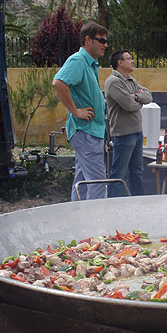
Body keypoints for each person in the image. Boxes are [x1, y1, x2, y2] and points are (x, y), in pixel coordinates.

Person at [53, 21, 109, 201]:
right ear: (88, 40)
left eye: (106, 41)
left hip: (91, 132)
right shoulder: (78, 60)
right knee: (98, 183)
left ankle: (76, 219)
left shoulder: (90, 64)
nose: (105, 45)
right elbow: (59, 82)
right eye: (101, 40)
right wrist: (75, 111)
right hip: (86, 131)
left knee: (83, 182)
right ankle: (97, 224)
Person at [104, 49, 153, 197]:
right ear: (120, 63)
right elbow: (129, 106)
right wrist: (140, 101)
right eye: (129, 58)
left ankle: (138, 202)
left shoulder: (131, 80)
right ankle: (114, 204)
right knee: (119, 173)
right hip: (123, 135)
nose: (132, 61)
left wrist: (135, 97)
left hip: (137, 133)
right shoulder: (113, 82)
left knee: (136, 172)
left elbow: (149, 96)